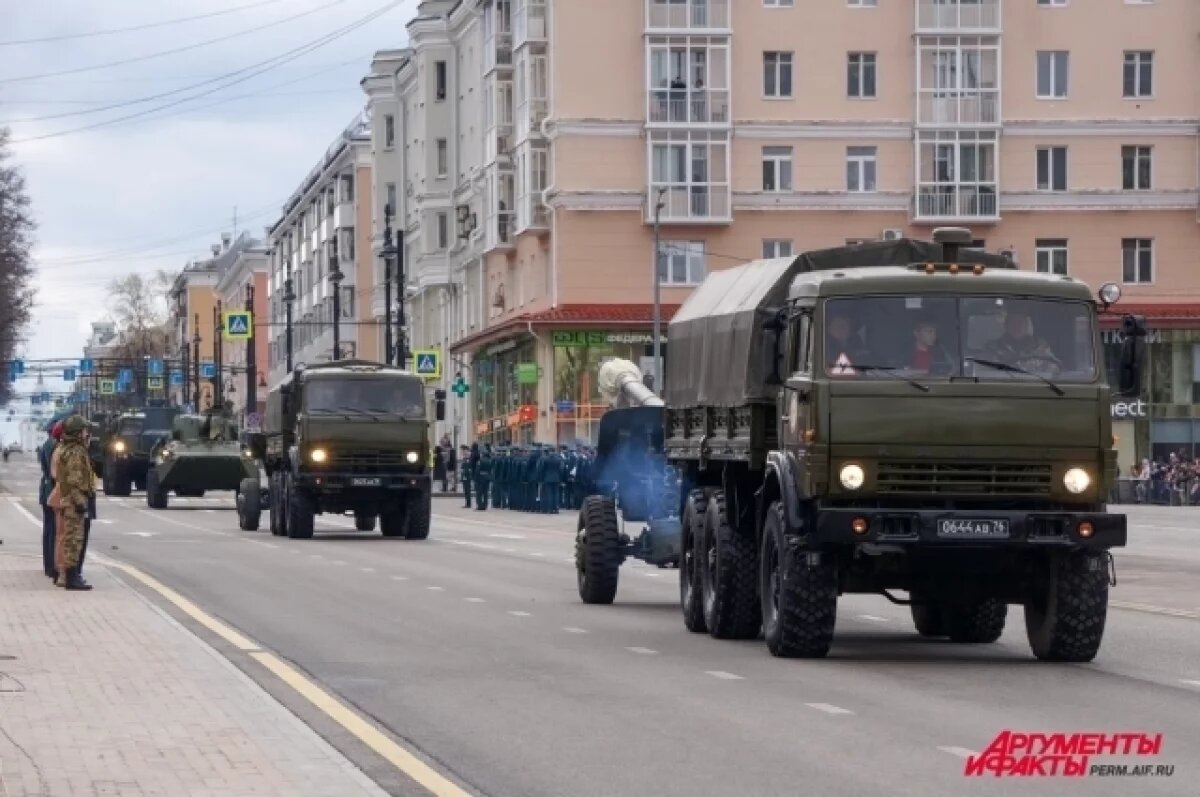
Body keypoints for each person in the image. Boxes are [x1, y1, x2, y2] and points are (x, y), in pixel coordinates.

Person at [53, 415, 94, 590]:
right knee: (74, 539)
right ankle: (71, 577)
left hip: (68, 499)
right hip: (73, 500)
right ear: (77, 432)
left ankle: (72, 575)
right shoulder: (75, 452)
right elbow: (74, 479)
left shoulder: (67, 448)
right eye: (84, 430)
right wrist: (80, 502)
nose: (86, 433)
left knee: (72, 538)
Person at [983, 308, 1060, 375]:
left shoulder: (1040, 348)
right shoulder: (992, 349)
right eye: (1013, 322)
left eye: (1020, 322)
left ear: (1026, 326)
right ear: (1006, 326)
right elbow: (983, 372)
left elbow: (1054, 370)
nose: (1017, 326)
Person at [38, 420, 63, 580]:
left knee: (48, 530)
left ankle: (48, 565)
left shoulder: (46, 445)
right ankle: (53, 566)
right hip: (52, 489)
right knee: (54, 530)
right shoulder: (55, 446)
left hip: (45, 488)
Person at [463, 444, 477, 509]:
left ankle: (468, 504)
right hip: (464, 476)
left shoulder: (469, 459)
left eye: (464, 451)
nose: (463, 453)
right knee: (465, 491)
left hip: (468, 477)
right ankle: (467, 503)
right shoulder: (464, 459)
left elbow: (469, 468)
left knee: (468, 491)